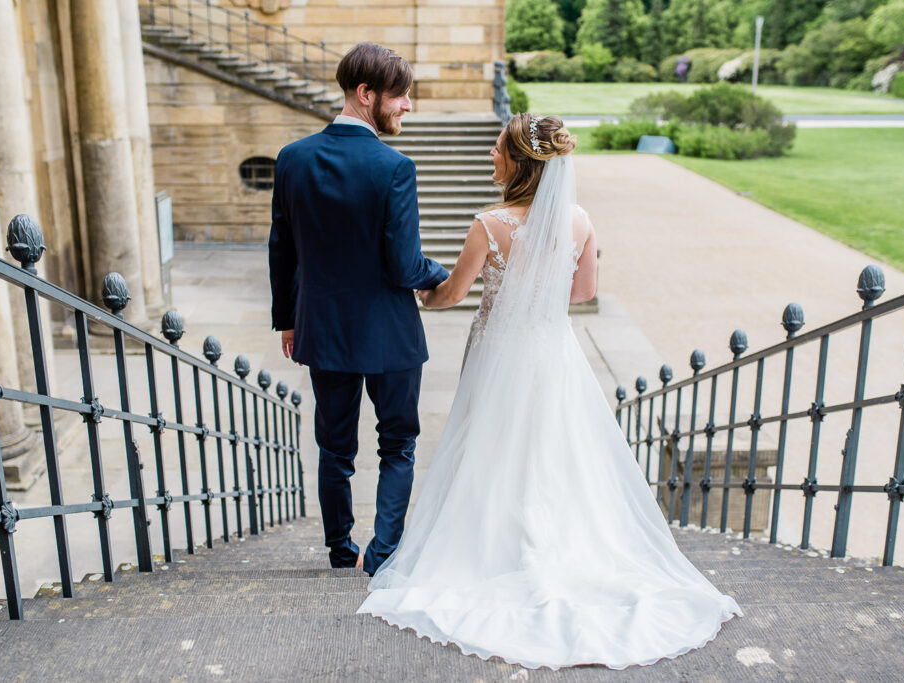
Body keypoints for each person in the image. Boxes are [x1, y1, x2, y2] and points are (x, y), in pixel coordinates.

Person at [358, 114, 742, 669]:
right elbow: (584, 291)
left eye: (496, 151)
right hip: (552, 350)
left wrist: (419, 292)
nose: (490, 158)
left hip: (498, 352)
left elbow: (450, 295)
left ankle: (501, 545)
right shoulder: (579, 221)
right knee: (555, 448)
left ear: (519, 163)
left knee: (492, 447)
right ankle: (554, 541)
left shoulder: (489, 224)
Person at [267, 43, 448, 576]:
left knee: (334, 448)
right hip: (390, 335)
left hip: (323, 332)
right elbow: (405, 266)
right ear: (366, 95)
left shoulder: (292, 158)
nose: (408, 107)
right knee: (398, 445)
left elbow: (282, 248)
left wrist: (290, 319)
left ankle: (340, 550)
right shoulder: (394, 167)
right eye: (401, 96)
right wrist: (450, 273)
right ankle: (384, 553)